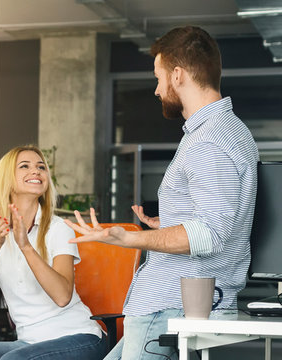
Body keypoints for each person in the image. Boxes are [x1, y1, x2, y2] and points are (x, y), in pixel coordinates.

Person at [65, 26, 259, 360]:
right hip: (172, 308)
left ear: (179, 75)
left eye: (159, 77)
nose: (156, 90)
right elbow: (214, 220)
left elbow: (209, 234)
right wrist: (167, 224)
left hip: (170, 309)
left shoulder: (209, 140)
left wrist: (127, 240)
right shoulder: (228, 132)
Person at [0, 145, 105, 360]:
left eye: (41, 167)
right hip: (29, 341)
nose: (36, 171)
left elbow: (63, 296)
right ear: (7, 179)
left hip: (79, 336)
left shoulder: (58, 228)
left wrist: (26, 246)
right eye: (24, 166)